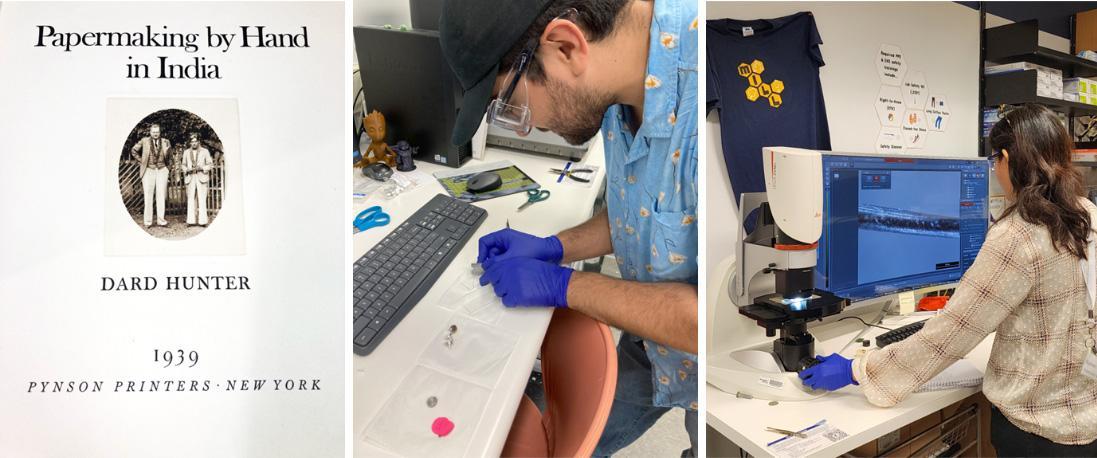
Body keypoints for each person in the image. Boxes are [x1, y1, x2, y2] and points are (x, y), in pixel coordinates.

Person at [439, 1, 699, 455]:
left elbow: (708, 325)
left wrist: (562, 285)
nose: (523, 130)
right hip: (652, 339)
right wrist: (553, 248)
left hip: (719, 372)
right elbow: (644, 213)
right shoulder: (617, 87)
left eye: (511, 105)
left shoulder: (707, 104)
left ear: (565, 46)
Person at [800, 104, 1097, 455]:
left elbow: (951, 335)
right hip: (1082, 414)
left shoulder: (1018, 236)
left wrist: (856, 370)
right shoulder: (1083, 214)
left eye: (994, 163)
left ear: (1004, 158)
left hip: (1039, 432)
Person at [130, 123, 171, 227]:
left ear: (160, 132)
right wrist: (142, 161)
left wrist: (167, 168)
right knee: (148, 196)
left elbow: (170, 156)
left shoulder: (165, 142)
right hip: (148, 170)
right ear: (150, 132)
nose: (155, 134)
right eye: (153, 132)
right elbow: (134, 151)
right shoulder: (144, 141)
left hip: (162, 169)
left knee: (161, 195)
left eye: (157, 132)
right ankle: (148, 222)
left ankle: (161, 221)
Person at [181, 132, 213, 226]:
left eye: (195, 141)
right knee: (190, 199)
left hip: (201, 176)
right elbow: (183, 165)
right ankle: (191, 221)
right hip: (190, 177)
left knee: (202, 198)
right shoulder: (186, 152)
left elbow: (210, 164)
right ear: (190, 143)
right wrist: (187, 169)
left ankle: (202, 221)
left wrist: (202, 168)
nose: (194, 143)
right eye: (192, 142)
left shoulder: (205, 151)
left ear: (198, 142)